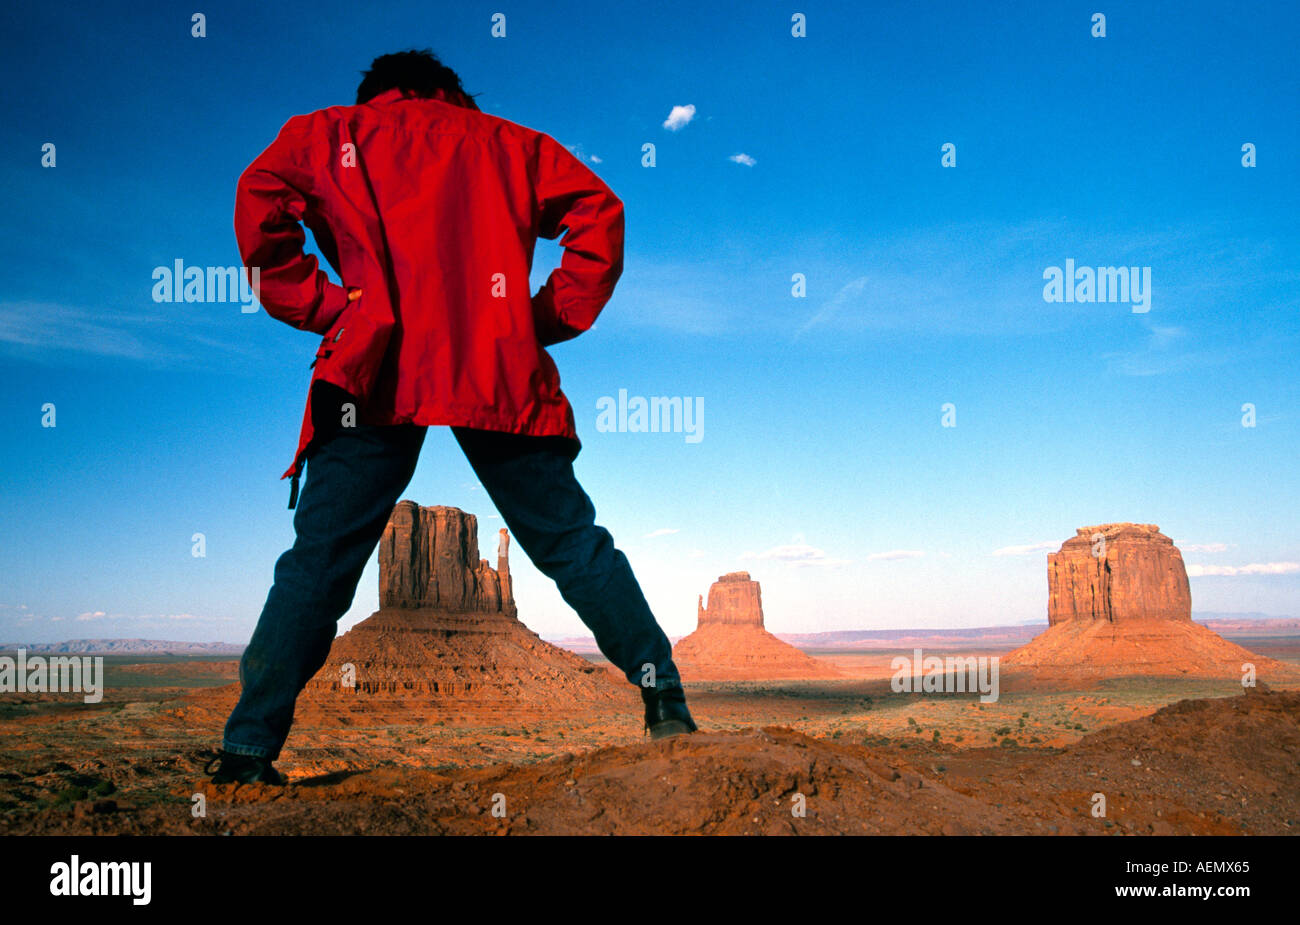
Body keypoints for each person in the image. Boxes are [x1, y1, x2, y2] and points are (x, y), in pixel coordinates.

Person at [207, 49, 695, 785]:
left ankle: (247, 750)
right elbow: (601, 218)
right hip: (494, 367)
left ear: (375, 95)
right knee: (572, 544)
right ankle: (665, 702)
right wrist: (534, 321)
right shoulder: (512, 144)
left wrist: (333, 309)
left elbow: (259, 198)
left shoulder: (330, 134)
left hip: (372, 367)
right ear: (449, 91)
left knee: (318, 561)